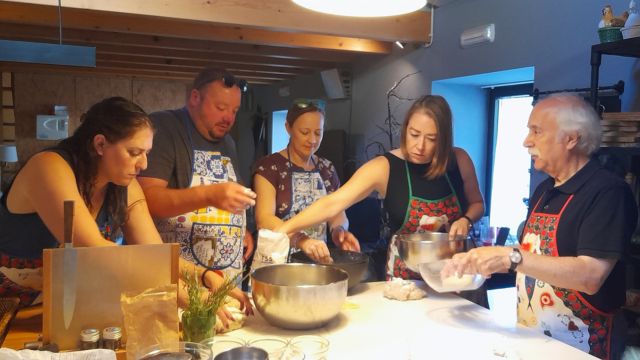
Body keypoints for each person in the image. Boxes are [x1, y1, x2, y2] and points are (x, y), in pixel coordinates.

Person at [0, 97, 250, 322]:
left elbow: (154, 254)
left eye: (147, 153)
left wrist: (204, 276)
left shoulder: (123, 183)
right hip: (9, 309)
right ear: (100, 144)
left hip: (59, 310)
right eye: (134, 153)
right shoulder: (49, 167)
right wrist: (188, 297)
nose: (144, 164)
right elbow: (96, 251)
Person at [444, 94, 637, 360]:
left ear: (571, 138)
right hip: (534, 339)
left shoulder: (607, 192)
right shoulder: (544, 190)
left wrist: (510, 257)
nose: (527, 141)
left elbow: (590, 276)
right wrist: (480, 262)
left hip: (583, 347)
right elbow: (532, 255)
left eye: (537, 131)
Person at [276, 95, 485, 281]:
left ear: (444, 139)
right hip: (406, 280)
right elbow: (332, 203)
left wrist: (466, 220)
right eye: (414, 134)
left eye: (431, 139)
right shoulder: (384, 167)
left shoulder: (459, 160)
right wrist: (284, 229)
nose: (420, 146)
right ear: (405, 130)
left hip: (457, 277)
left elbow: (477, 204)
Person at [138, 67, 256, 292]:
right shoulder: (164, 127)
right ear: (195, 97)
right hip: (181, 283)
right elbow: (146, 199)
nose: (228, 118)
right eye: (220, 108)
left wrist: (242, 230)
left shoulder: (228, 143)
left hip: (228, 282)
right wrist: (210, 195)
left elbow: (232, 194)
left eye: (235, 110)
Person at [253, 99, 360, 263]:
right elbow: (264, 219)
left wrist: (340, 232)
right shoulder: (269, 167)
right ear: (288, 128)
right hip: (276, 264)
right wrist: (301, 240)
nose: (312, 140)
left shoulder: (327, 169)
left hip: (316, 264)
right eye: (305, 132)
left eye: (318, 133)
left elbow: (337, 213)